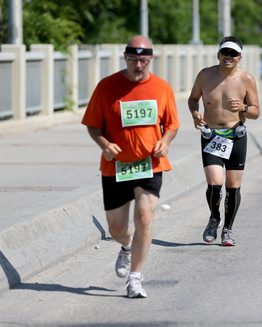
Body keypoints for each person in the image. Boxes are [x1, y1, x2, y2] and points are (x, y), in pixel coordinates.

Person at [81, 35, 179, 298]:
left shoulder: (161, 87)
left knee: (145, 217)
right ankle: (126, 246)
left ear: (151, 60)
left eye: (144, 60)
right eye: (134, 60)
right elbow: (92, 124)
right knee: (117, 228)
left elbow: (171, 125)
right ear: (125, 58)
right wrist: (104, 144)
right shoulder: (107, 87)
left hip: (150, 164)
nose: (139, 66)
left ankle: (135, 278)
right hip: (116, 167)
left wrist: (165, 141)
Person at [187, 36, 260, 247]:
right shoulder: (205, 75)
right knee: (214, 183)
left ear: (240, 57)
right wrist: (195, 114)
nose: (228, 57)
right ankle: (214, 218)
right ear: (218, 54)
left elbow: (256, 111)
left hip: (236, 135)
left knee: (233, 187)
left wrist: (244, 108)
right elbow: (193, 99)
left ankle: (227, 229)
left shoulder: (246, 79)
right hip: (212, 135)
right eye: (225, 53)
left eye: (233, 54)